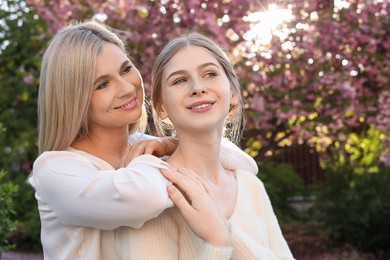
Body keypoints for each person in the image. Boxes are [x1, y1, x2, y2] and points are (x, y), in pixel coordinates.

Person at [28, 20, 258, 259]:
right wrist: (169, 151)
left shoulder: (148, 148)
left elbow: (245, 165)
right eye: (103, 84)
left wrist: (172, 144)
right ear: (73, 100)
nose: (127, 88)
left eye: (126, 69)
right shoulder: (55, 169)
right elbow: (144, 198)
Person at [116, 32, 295, 259]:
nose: (198, 87)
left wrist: (226, 233)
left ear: (232, 94)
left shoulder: (250, 185)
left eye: (210, 74)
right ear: (161, 108)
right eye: (180, 80)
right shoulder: (154, 194)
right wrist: (218, 244)